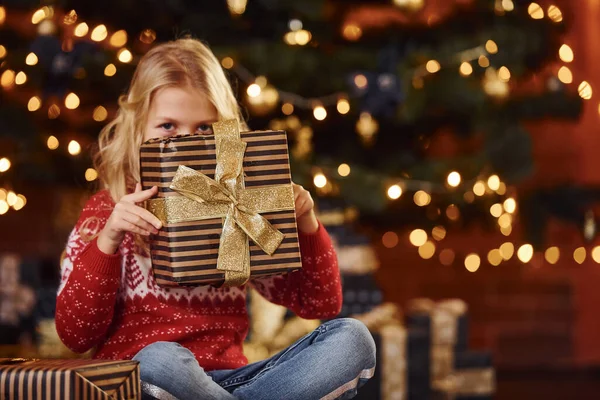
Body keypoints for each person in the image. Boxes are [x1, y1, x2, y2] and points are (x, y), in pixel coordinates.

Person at [56, 38, 376, 400]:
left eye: (204, 129)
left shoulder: (243, 204)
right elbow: (75, 335)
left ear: (226, 131)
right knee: (160, 360)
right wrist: (109, 241)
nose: (186, 143)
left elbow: (320, 304)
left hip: (235, 382)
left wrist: (307, 224)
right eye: (167, 127)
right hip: (152, 384)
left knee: (353, 341)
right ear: (137, 127)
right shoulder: (108, 210)